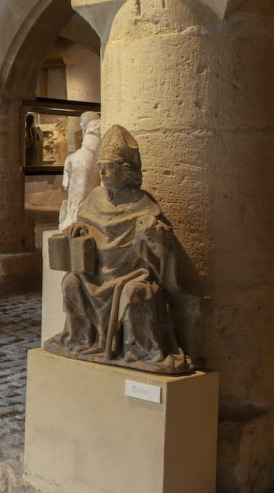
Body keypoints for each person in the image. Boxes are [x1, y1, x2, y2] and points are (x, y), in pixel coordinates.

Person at [43, 125, 192, 373]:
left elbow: (160, 245)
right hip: (96, 274)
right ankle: (80, 339)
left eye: (109, 166)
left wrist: (152, 234)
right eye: (100, 165)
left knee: (136, 292)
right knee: (71, 282)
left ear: (125, 170)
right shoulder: (94, 198)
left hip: (128, 274)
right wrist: (80, 229)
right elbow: (89, 228)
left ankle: (138, 350)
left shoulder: (142, 203)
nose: (101, 172)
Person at [58, 112, 100, 229]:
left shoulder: (94, 128)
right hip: (87, 162)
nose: (80, 124)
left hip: (86, 163)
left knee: (81, 192)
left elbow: (88, 151)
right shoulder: (94, 130)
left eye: (82, 121)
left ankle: (75, 218)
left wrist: (71, 159)